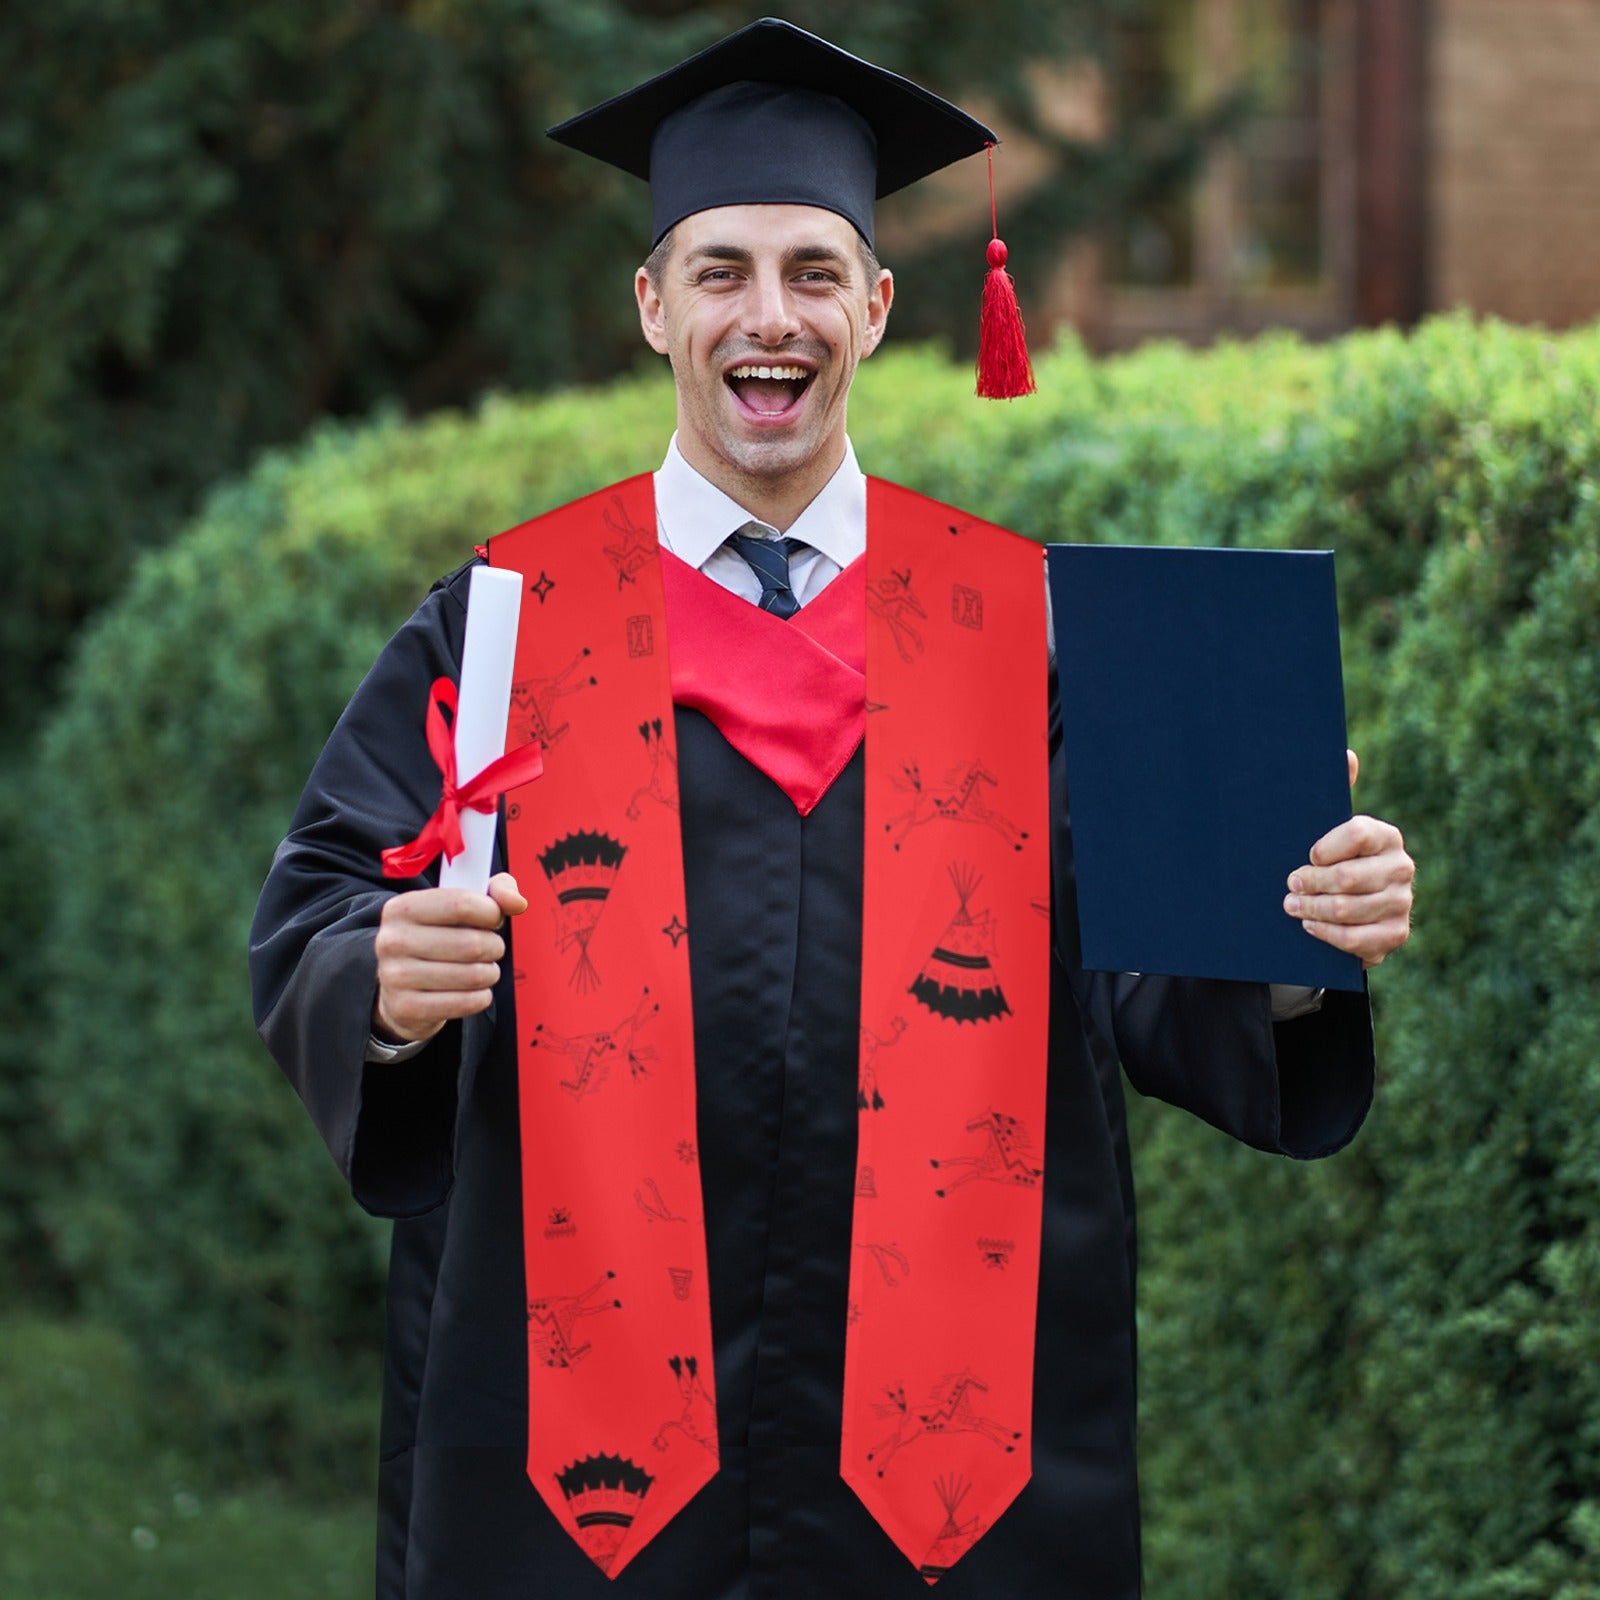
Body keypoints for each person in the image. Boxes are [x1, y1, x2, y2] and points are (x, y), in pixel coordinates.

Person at [249, 19, 1414, 1600]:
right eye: (721, 270)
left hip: (957, 1452)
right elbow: (324, 902)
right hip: (579, 1458)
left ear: (877, 305)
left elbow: (1151, 980)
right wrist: (380, 982)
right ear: (654, 306)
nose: (768, 316)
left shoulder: (1033, 630)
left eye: (812, 271)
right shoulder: (510, 622)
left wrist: (1292, 935)